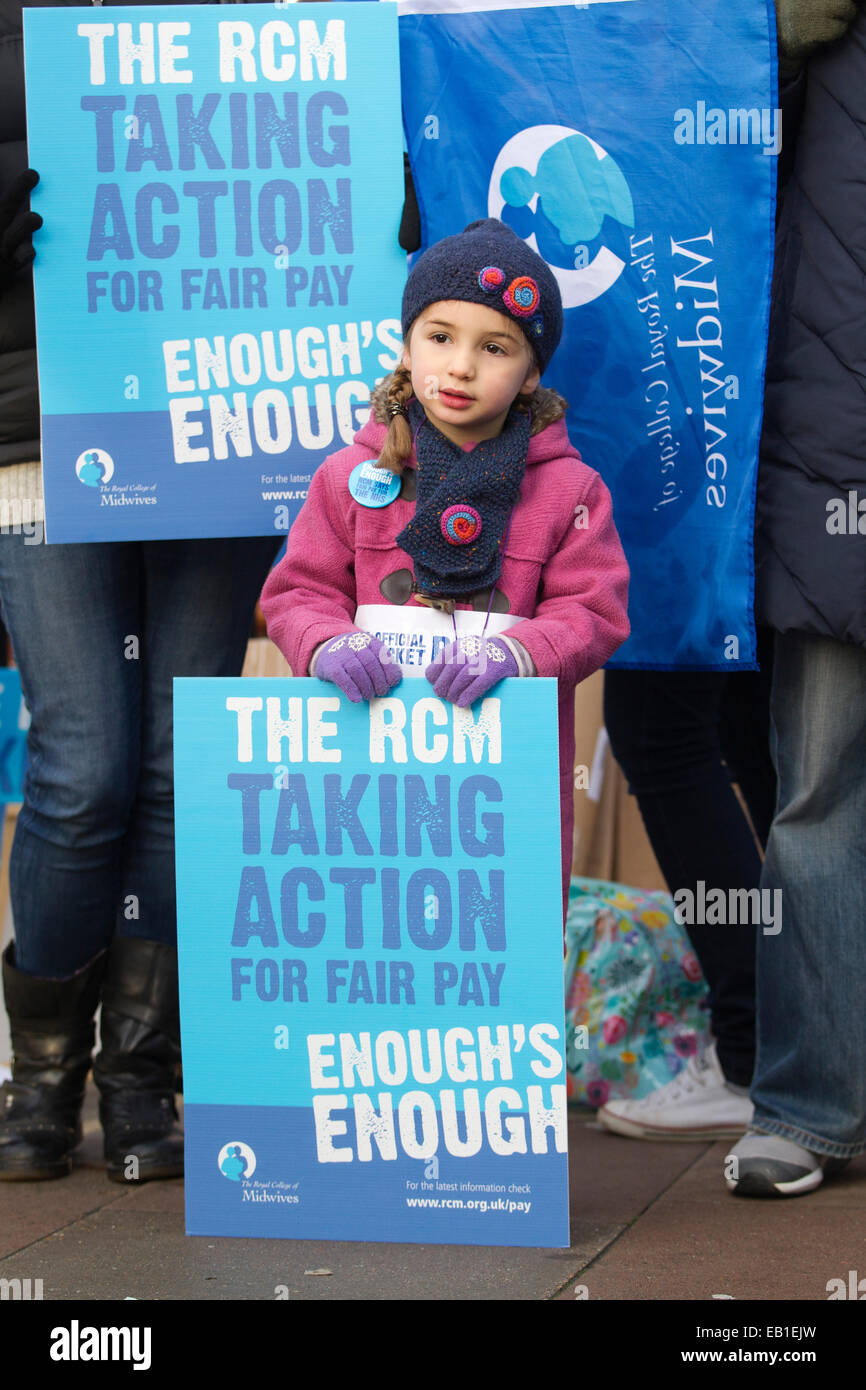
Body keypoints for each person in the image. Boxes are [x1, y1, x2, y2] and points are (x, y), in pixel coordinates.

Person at [0, 0, 281, 1184]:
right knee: (82, 765)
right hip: (38, 430)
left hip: (221, 430)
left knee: (174, 760)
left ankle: (138, 1079)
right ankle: (42, 1076)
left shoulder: (265, 30)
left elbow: (366, 201)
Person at [261, 218, 631, 914]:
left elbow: (594, 610)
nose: (461, 366)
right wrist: (323, 642)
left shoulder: (571, 493)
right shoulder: (347, 477)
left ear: (531, 375)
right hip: (363, 783)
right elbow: (297, 591)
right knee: (364, 940)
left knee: (495, 966)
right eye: (439, 337)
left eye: (495, 348)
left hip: (502, 792)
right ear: (406, 348)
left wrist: (519, 654)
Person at [725, 0, 866, 1197]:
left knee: (816, 797)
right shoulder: (795, 35)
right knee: (816, 797)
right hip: (835, 461)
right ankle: (809, 1104)